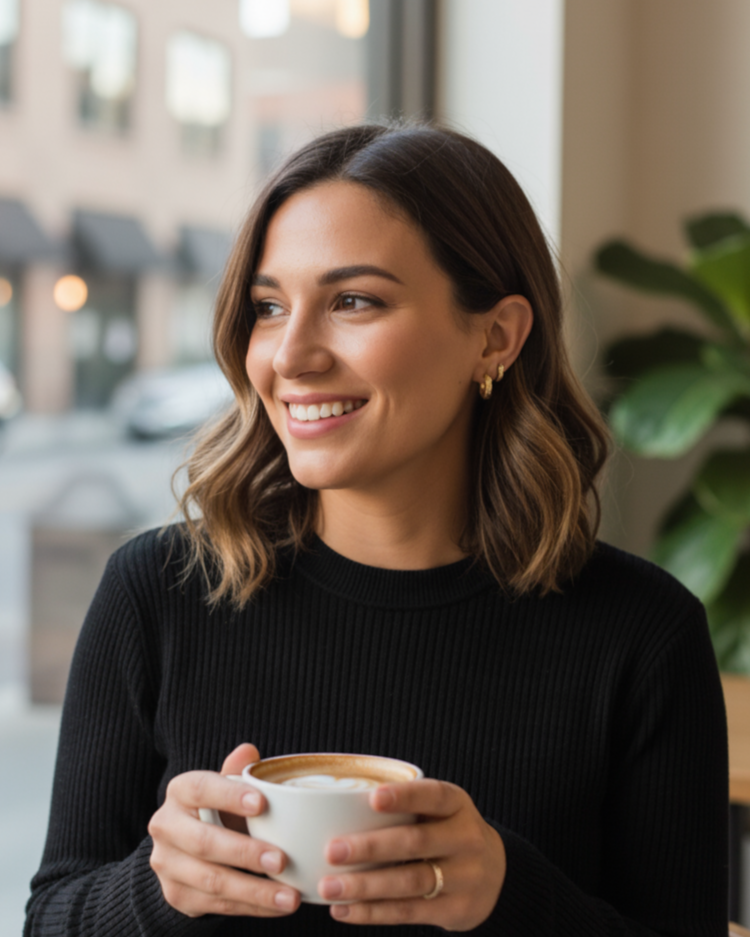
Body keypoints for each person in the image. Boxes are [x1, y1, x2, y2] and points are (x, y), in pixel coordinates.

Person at [25, 122, 728, 936]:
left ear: (496, 336)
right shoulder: (156, 594)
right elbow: (52, 917)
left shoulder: (642, 636)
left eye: (353, 301)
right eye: (268, 307)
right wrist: (160, 891)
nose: (291, 355)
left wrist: (510, 895)